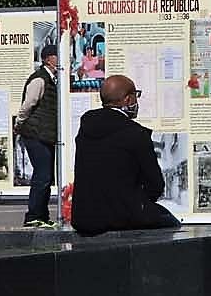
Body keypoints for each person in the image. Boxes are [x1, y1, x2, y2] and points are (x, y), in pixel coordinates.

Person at [69, 75, 181, 237]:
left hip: (84, 217)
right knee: (172, 224)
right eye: (136, 95)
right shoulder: (136, 134)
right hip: (122, 217)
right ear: (128, 99)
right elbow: (155, 185)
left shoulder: (86, 127)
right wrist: (136, 200)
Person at [15, 44, 61, 228]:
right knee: (42, 176)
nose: (60, 59)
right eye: (57, 56)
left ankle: (42, 215)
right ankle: (33, 215)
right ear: (49, 59)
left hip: (45, 134)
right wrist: (19, 123)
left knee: (46, 176)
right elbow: (28, 104)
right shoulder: (39, 80)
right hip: (35, 134)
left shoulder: (51, 79)